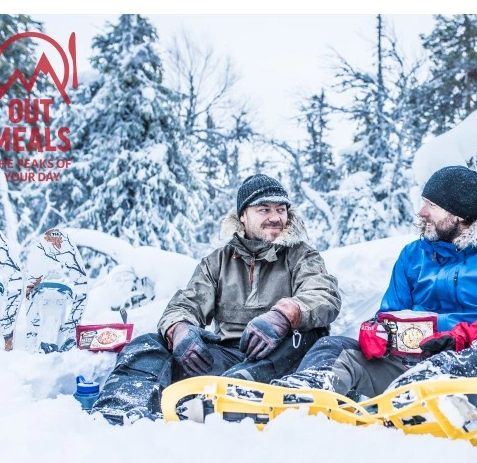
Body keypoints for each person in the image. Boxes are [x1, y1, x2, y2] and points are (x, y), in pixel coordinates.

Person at [271, 166, 477, 407]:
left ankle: (443, 388)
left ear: (460, 215)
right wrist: (377, 333)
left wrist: (463, 337)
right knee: (332, 346)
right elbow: (388, 314)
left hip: (473, 363)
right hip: (409, 364)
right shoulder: (412, 255)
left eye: (431, 205)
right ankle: (307, 393)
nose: (422, 212)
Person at [91, 174, 342, 425]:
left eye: (281, 209)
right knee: (149, 344)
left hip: (283, 356)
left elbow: (322, 294)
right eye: (264, 209)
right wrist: (179, 330)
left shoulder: (301, 256)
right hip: (231, 355)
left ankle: (221, 400)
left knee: (313, 335)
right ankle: (120, 410)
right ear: (242, 216)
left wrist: (284, 315)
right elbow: (185, 304)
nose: (275, 217)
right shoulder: (218, 261)